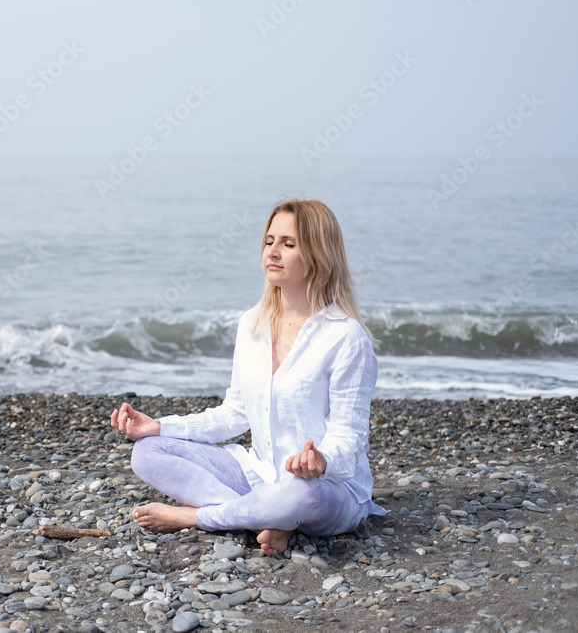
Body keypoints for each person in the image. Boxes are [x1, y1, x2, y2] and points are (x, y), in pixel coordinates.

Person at [110, 198, 385, 556]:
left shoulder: (346, 337)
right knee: (146, 453)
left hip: (325, 489)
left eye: (288, 244)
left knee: (298, 494)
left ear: (319, 254)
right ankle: (265, 520)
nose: (273, 251)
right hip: (259, 474)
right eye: (269, 241)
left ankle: (197, 517)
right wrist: (158, 427)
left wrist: (321, 462)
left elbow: (349, 438)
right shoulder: (252, 325)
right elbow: (234, 413)